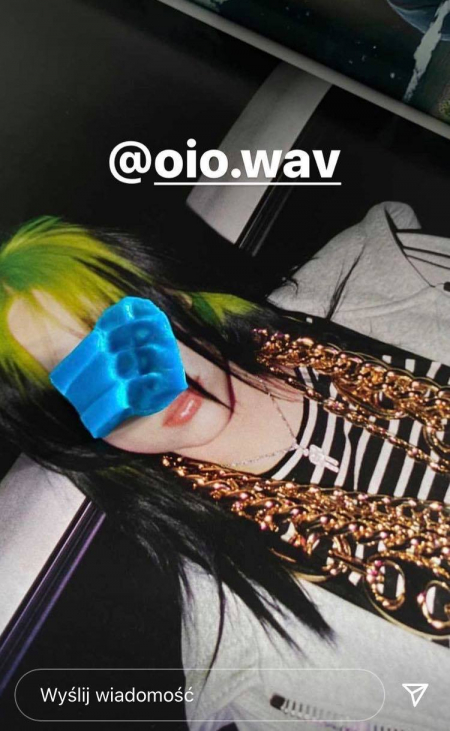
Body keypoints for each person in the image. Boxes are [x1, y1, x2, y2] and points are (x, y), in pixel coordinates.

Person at [0, 203, 449, 729]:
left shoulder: (370, 265)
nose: (143, 385)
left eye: (115, 323)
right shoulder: (259, 669)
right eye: (78, 375)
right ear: (71, 431)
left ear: (171, 296)